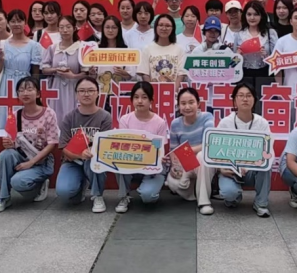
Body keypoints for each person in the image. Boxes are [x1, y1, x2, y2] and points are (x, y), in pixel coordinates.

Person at [0, 76, 58, 213]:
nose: (25, 93)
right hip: (21, 157)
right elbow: (12, 142)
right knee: (5, 155)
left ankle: (39, 185)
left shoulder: (49, 114)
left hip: (41, 161)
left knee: (18, 182)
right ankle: (3, 197)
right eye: (21, 90)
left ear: (38, 93)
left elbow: (52, 143)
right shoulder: (15, 115)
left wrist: (31, 162)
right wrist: (8, 143)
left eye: (29, 89)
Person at [55, 77, 113, 213]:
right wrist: (79, 155)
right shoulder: (69, 117)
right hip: (72, 162)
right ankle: (81, 186)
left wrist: (92, 151)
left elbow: (105, 145)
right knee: (64, 192)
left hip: (95, 161)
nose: (86, 94)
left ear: (98, 93)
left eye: (90, 90)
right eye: (82, 91)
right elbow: (63, 148)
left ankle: (97, 195)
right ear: (76, 94)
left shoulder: (105, 116)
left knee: (93, 160)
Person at [214, 82, 272, 217]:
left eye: (249, 96)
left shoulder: (262, 123)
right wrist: (220, 169)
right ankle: (233, 197)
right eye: (240, 95)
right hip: (230, 170)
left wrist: (253, 164)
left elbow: (267, 151)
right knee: (229, 194)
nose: (245, 99)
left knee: (266, 165)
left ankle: (261, 203)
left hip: (252, 170)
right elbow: (215, 152)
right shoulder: (225, 123)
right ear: (234, 100)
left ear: (254, 99)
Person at [114, 81, 169, 213]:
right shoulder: (125, 120)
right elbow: (123, 145)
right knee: (117, 159)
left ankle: (147, 189)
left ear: (151, 100)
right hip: (131, 164)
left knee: (148, 197)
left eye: (144, 97)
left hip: (153, 168)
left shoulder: (160, 122)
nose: (140, 101)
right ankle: (124, 196)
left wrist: (158, 157)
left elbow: (159, 148)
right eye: (136, 97)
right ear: (132, 99)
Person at [167, 87, 215, 214]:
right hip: (186, 162)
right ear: (178, 106)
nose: (187, 107)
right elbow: (174, 151)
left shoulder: (207, 117)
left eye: (191, 102)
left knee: (201, 156)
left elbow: (209, 143)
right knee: (172, 182)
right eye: (183, 103)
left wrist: (188, 150)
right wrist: (175, 168)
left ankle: (204, 202)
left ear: (198, 103)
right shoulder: (175, 124)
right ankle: (194, 192)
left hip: (205, 160)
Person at [233, 1, 278, 113]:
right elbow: (233, 62)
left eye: (256, 14)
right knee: (245, 104)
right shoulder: (239, 34)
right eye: (249, 14)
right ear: (244, 16)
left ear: (261, 15)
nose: (252, 18)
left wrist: (266, 56)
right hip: (245, 74)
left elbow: (277, 59)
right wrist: (238, 56)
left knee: (263, 106)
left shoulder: (270, 33)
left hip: (264, 73)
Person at [0, 9, 42, 105]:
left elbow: (35, 72)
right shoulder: (1, 44)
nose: (16, 24)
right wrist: (1, 59)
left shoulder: (34, 46)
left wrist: (35, 89)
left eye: (19, 21)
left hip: (26, 85)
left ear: (25, 23)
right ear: (8, 23)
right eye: (13, 21)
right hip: (5, 84)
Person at [41, 15, 87, 120]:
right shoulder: (53, 48)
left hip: (74, 87)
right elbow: (44, 69)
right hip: (56, 87)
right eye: (61, 27)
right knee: (56, 115)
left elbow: (86, 73)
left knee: (73, 115)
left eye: (68, 27)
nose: (65, 30)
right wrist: (55, 70)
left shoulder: (80, 48)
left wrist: (73, 76)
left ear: (74, 28)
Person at [90, 16, 135, 94]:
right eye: (107, 27)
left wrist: (123, 73)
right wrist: (92, 73)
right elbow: (92, 77)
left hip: (120, 93)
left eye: (114, 27)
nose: (110, 30)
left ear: (119, 30)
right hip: (100, 93)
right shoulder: (95, 49)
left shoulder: (126, 50)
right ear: (103, 29)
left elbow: (131, 76)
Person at [138, 14, 188, 85]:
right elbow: (145, 74)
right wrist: (151, 91)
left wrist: (174, 90)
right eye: (161, 25)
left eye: (167, 26)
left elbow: (181, 75)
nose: (164, 28)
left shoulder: (180, 49)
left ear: (173, 28)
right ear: (156, 27)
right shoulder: (147, 49)